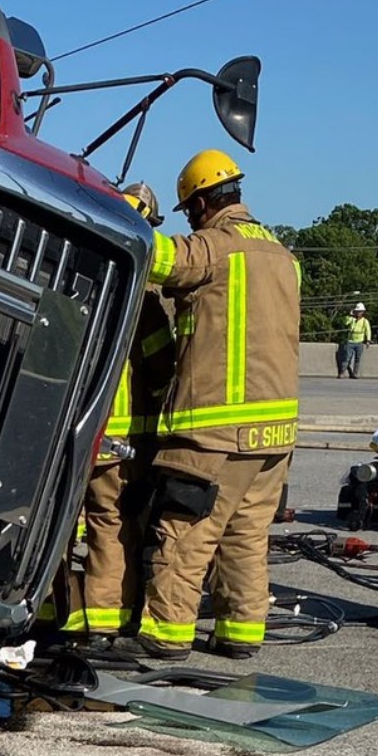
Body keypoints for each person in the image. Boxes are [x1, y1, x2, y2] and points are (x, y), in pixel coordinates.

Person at [111, 149, 300, 661]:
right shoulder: (283, 256)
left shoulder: (214, 247)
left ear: (199, 204)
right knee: (246, 535)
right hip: (274, 435)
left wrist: (120, 210)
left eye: (189, 212)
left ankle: (166, 635)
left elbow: (152, 254)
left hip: (214, 431)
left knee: (185, 534)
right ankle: (240, 634)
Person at [56, 184, 177, 638]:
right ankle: (105, 622)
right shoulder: (143, 297)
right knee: (111, 523)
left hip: (65, 430)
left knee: (56, 524)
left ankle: (54, 614)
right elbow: (161, 364)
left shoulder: (72, 275)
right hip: (119, 437)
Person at [338, 302, 373, 378]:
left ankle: (355, 373)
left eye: (360, 311)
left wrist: (368, 340)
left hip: (359, 342)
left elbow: (368, 331)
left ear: (362, 312)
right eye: (357, 311)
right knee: (347, 358)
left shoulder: (365, 321)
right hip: (350, 341)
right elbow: (345, 322)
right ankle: (342, 372)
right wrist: (349, 315)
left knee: (357, 359)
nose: (358, 313)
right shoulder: (351, 319)